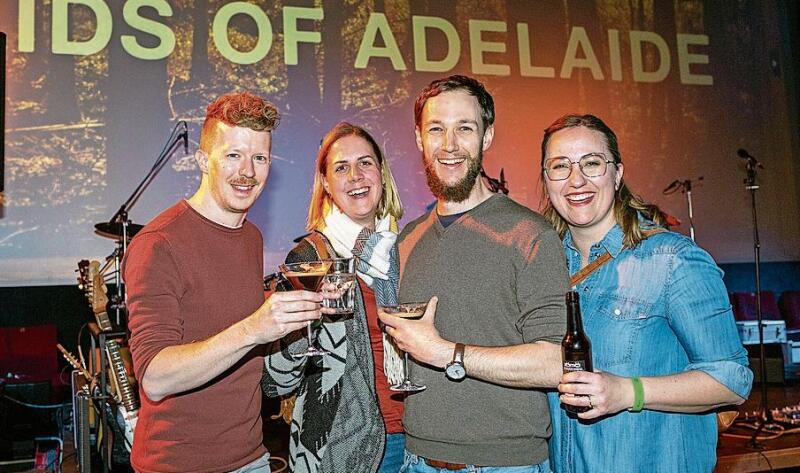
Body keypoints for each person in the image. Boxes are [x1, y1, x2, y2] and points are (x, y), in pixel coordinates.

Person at [123, 92, 327, 473]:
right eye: (233, 155)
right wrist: (254, 329)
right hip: (178, 466)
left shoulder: (250, 237)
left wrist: (299, 303)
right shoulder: (158, 244)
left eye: (260, 158)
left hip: (252, 457)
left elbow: (223, 308)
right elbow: (154, 377)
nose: (247, 171)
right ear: (204, 160)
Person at [539, 114, 753, 473]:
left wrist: (629, 392)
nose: (576, 180)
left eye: (592, 163)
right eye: (560, 166)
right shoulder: (541, 268)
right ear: (546, 181)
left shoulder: (672, 259)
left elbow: (731, 381)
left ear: (617, 174)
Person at [379, 75, 568, 472]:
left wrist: (448, 353)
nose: (449, 145)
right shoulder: (408, 239)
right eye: (436, 129)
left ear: (487, 136)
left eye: (464, 128)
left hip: (504, 465)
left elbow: (555, 363)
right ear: (419, 139)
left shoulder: (531, 234)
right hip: (417, 461)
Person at [262, 122, 406, 472]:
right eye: (341, 168)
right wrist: (312, 317)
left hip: (420, 441)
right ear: (326, 183)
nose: (355, 176)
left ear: (382, 174)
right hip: (343, 449)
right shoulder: (308, 258)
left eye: (365, 163)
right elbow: (274, 380)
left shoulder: (408, 249)